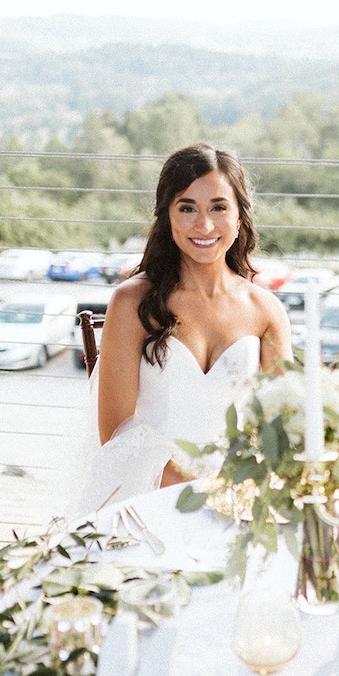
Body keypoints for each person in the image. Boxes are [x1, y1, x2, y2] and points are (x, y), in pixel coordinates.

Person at [76, 143, 291, 514]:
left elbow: (283, 425)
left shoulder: (266, 310)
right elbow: (114, 433)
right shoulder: (131, 304)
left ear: (240, 216)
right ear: (167, 218)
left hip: (241, 500)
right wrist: (200, 492)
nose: (204, 225)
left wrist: (243, 489)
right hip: (147, 498)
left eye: (219, 208)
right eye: (187, 208)